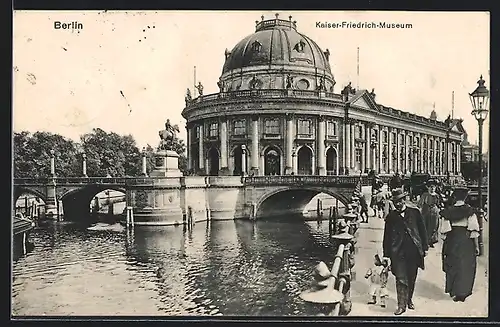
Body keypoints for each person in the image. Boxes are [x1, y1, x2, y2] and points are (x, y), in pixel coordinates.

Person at [383, 188, 428, 315]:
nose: (398, 204)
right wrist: (386, 255)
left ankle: (409, 300)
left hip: (413, 251)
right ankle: (401, 305)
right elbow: (386, 237)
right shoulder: (391, 217)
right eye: (395, 202)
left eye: (399, 201)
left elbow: (422, 231)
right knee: (401, 278)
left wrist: (424, 247)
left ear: (404, 200)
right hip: (398, 252)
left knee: (411, 277)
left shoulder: (415, 213)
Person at [439, 186, 480, 302]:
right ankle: (463, 292)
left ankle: (453, 291)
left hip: (452, 240)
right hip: (466, 241)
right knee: (465, 266)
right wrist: (476, 246)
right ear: (466, 197)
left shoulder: (448, 211)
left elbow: (444, 231)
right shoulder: (470, 211)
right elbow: (474, 230)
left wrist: (446, 244)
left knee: (452, 265)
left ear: (455, 197)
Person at [417, 179, 443, 248]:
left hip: (434, 212)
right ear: (428, 187)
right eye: (431, 187)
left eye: (434, 187)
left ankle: (432, 240)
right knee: (425, 226)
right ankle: (426, 241)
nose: (432, 188)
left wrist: (440, 210)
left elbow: (439, 204)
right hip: (426, 212)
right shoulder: (425, 195)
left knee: (434, 227)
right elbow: (420, 204)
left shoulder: (437, 195)